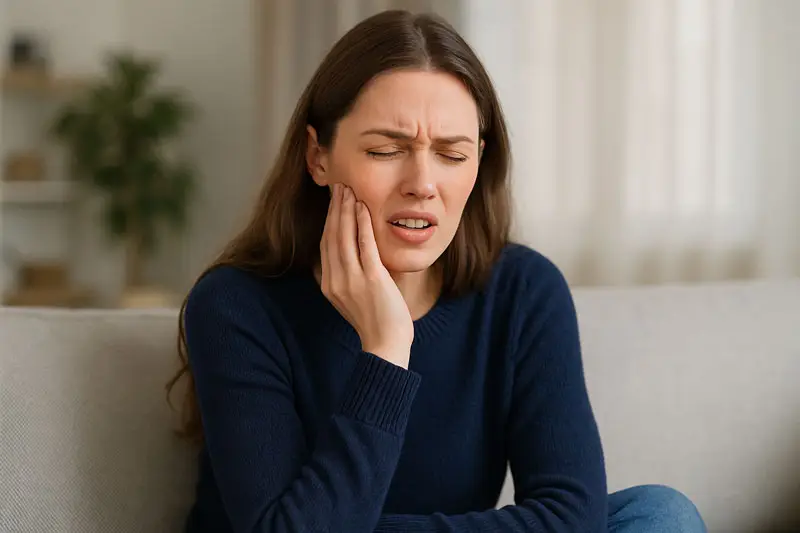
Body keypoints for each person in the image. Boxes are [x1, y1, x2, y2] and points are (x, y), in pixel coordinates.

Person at [166, 9, 707, 533]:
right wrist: (385, 351)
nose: (422, 183)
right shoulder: (237, 304)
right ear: (318, 157)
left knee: (660, 516)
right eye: (386, 150)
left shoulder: (524, 290)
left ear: (479, 161)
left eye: (451, 154)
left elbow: (573, 515)